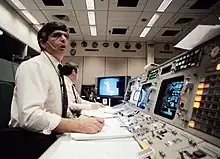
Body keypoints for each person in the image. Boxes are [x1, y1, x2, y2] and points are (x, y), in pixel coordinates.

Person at [6, 21, 104, 159]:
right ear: (43, 42)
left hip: (49, 134)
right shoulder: (33, 67)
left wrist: (82, 119)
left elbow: (58, 109)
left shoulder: (57, 70)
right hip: (30, 140)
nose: (63, 39)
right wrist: (78, 125)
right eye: (57, 35)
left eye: (65, 36)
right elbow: (30, 117)